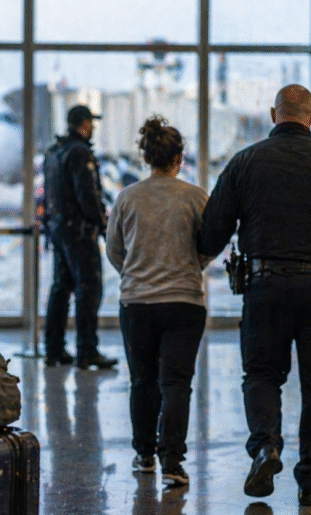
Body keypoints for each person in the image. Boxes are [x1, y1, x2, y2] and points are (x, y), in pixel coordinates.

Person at [198, 84, 311, 506]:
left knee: (261, 375)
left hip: (265, 286)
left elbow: (212, 231)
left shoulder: (245, 162)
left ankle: (265, 447)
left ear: (274, 114)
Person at [105, 116, 209, 488]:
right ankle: (173, 463)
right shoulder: (196, 197)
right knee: (177, 383)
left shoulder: (127, 198)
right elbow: (207, 247)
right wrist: (189, 268)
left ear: (146, 158)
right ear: (179, 158)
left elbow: (114, 251)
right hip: (185, 302)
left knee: (142, 381)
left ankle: (144, 454)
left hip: (137, 304)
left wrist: (136, 274)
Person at [43, 104, 118, 370]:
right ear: (84, 124)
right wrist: (102, 223)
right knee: (89, 288)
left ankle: (53, 348)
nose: (93, 127)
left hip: (59, 229)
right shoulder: (79, 152)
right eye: (91, 123)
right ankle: (87, 350)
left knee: (61, 288)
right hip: (79, 231)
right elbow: (87, 194)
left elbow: (48, 195)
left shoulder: (54, 153)